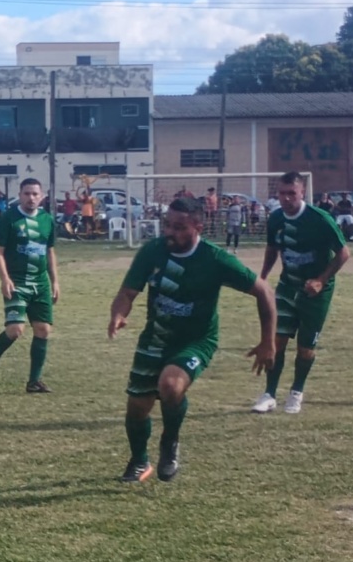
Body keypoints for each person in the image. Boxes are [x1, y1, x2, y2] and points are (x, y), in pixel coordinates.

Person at [108, 198, 276, 482]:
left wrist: (267, 342)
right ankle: (139, 462)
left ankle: (170, 443)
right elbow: (127, 292)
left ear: (198, 227)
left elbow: (265, 292)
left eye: (179, 227)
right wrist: (118, 314)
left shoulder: (214, 259)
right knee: (138, 406)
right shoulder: (153, 251)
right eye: (167, 225)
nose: (169, 232)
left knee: (171, 385)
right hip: (156, 337)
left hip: (197, 340)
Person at [252, 172, 350, 414]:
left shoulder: (320, 219)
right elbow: (272, 248)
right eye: (282, 193)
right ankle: (269, 394)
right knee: (277, 340)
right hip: (287, 285)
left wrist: (320, 280)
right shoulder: (275, 218)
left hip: (316, 291)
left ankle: (296, 392)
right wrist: (263, 278)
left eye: (291, 193)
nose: (286, 198)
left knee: (305, 348)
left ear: (302, 192)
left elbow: (344, 253)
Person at [0, 178, 59, 394]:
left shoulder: (47, 220)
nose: (31, 198)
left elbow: (50, 252)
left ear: (41, 196)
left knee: (43, 329)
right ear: (20, 195)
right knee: (15, 330)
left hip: (40, 283)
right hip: (17, 282)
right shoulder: (9, 219)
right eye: (27, 194)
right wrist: (5, 278)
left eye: (35, 194)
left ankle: (34, 381)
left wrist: (55, 281)